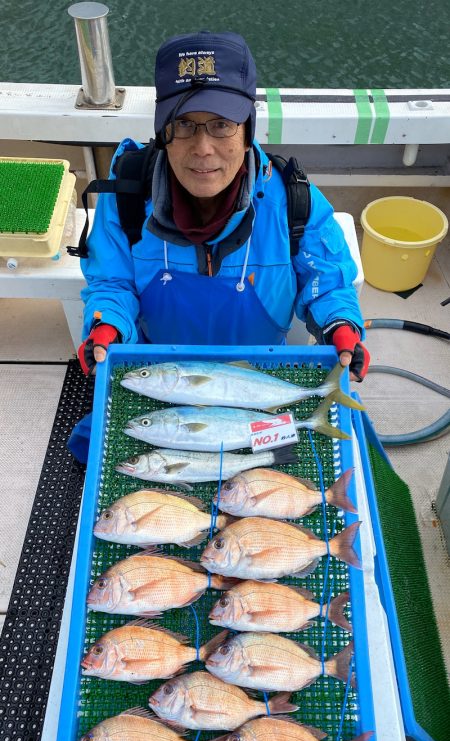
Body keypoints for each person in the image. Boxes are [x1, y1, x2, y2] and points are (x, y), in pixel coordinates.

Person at [70, 31, 369, 461]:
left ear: (247, 130)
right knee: (129, 464)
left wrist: (340, 325)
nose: (203, 148)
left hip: (263, 382)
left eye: (221, 125)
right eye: (185, 125)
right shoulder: (126, 198)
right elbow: (112, 283)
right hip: (161, 381)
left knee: (274, 480)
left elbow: (326, 280)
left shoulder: (294, 203)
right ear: (162, 132)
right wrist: (107, 326)